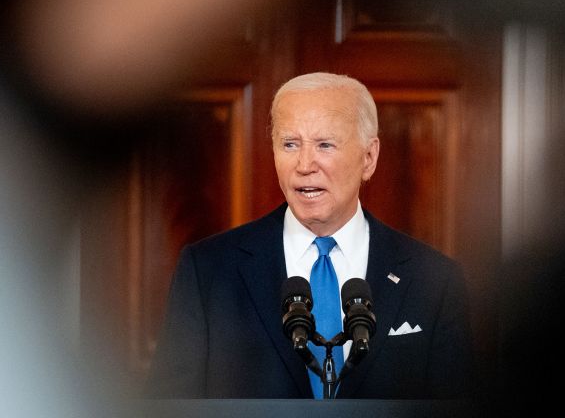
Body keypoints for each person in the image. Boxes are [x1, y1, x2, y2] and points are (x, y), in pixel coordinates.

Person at [146, 72, 474, 399]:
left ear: (369, 158)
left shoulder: (434, 281)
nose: (304, 164)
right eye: (290, 144)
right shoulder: (208, 271)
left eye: (324, 145)